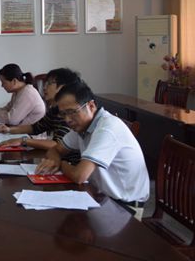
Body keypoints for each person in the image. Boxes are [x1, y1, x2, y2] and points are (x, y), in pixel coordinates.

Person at [36, 80, 149, 218]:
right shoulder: (82, 126)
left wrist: (60, 163)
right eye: (63, 114)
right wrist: (55, 159)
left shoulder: (106, 129)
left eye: (71, 112)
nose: (67, 120)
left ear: (91, 106)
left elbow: (79, 176)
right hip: (101, 197)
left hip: (124, 208)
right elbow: (55, 150)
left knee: (62, 220)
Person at [0, 68, 80, 160]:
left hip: (70, 162)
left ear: (63, 87)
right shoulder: (55, 110)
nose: (44, 87)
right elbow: (35, 128)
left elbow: (57, 144)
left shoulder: (70, 114)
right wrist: (9, 130)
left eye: (49, 83)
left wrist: (23, 141)